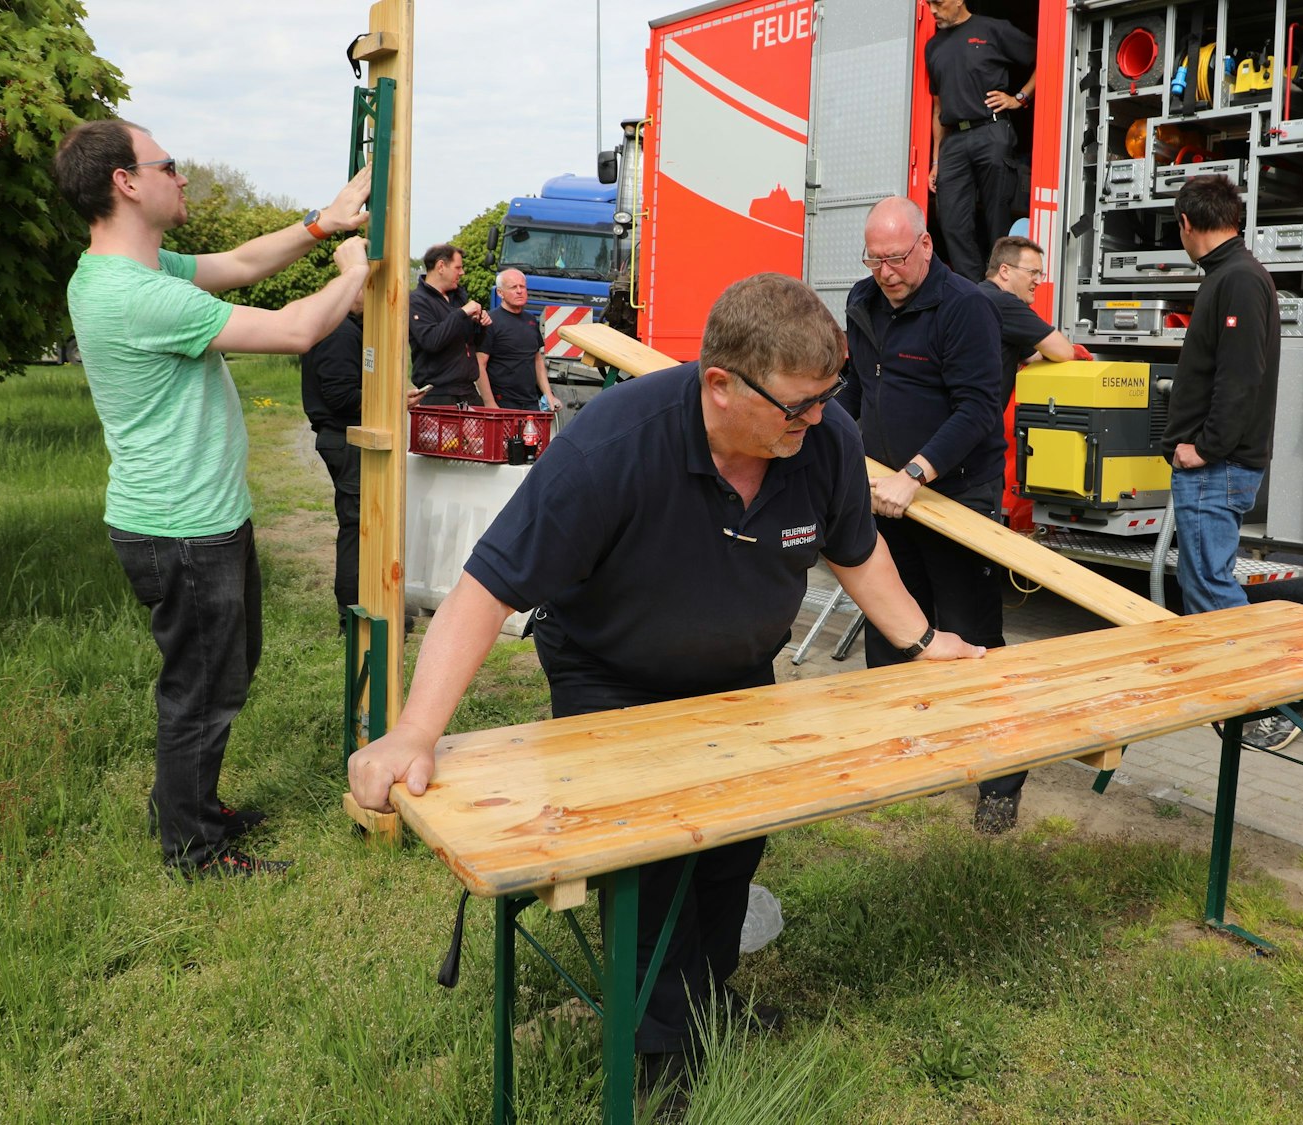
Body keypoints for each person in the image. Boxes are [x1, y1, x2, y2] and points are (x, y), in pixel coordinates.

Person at [347, 273, 986, 1109]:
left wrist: (925, 642)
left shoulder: (821, 437)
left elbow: (857, 551)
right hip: (612, 671)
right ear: (720, 384)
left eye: (826, 397)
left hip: (737, 677)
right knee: (649, 858)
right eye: (798, 405)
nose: (818, 417)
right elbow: (485, 589)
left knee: (730, 848)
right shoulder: (614, 444)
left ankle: (701, 1002)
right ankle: (658, 1056)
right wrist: (414, 730)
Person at [52, 118, 371, 878]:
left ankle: (185, 803)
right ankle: (193, 848)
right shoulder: (134, 294)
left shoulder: (136, 270)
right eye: (168, 165)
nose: (183, 175)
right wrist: (354, 271)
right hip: (182, 530)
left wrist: (322, 223)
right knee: (201, 689)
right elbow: (295, 330)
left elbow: (239, 262)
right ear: (126, 182)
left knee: (221, 671)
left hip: (197, 520)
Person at [839, 197, 1019, 832]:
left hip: (954, 499)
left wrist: (915, 474)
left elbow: (977, 408)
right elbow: (857, 391)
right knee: (893, 628)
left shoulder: (965, 307)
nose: (885, 272)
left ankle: (999, 782)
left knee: (971, 637)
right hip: (885, 497)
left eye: (895, 258)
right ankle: (902, 761)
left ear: (925, 245)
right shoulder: (863, 301)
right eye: (874, 259)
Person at [1160, 175, 1293, 750]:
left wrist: (1206, 447)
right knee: (1205, 586)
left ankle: (1273, 708)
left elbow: (1240, 379)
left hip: (1215, 467)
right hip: (1216, 465)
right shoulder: (1232, 275)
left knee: (1212, 589)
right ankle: (1235, 700)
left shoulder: (1236, 279)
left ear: (1187, 224)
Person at [923, 0, 1035, 280]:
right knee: (952, 222)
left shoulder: (993, 30)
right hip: (953, 140)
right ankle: (974, 288)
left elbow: (1046, 56)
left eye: (937, 2)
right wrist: (935, 161)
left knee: (997, 217)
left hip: (991, 131)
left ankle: (999, 287)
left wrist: (1020, 98)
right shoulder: (933, 47)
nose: (932, 10)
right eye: (928, 3)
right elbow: (937, 108)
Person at [301, 290, 366, 629]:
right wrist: (392, 397)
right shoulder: (339, 332)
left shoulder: (344, 327)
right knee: (356, 526)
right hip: (344, 438)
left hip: (345, 438)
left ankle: (364, 606)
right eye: (369, 290)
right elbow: (341, 396)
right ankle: (351, 617)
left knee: (360, 524)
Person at [979, 235, 1074, 406]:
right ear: (1005, 271)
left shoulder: (981, 295)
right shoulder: (1004, 303)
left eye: (1040, 274)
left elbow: (1034, 357)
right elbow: (1064, 351)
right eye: (1033, 272)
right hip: (975, 418)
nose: (1038, 281)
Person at [410, 243, 493, 407]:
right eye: (458, 267)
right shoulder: (417, 301)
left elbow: (473, 343)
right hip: (438, 395)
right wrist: (461, 313)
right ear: (441, 266)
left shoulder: (458, 296)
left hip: (468, 391)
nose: (462, 272)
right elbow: (431, 341)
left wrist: (480, 324)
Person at [477, 268, 552, 412]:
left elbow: (537, 360)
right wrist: (489, 403)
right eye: (513, 287)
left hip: (530, 403)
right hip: (503, 404)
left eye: (522, 286)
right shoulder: (490, 321)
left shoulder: (531, 320)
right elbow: (479, 364)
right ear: (500, 293)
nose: (519, 291)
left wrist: (548, 395)